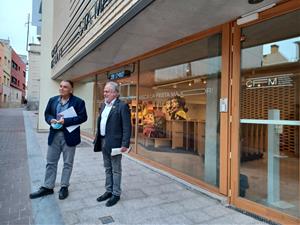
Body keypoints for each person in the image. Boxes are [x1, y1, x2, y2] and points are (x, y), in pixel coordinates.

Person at [29, 80, 87, 200]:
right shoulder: (53, 100)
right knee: (50, 162)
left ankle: (64, 187)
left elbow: (83, 117)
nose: (61, 88)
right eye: (60, 86)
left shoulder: (78, 102)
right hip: (54, 135)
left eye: (65, 87)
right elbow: (47, 114)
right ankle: (48, 187)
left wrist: (66, 121)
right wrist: (51, 120)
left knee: (67, 163)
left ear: (71, 90)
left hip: (70, 136)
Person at [94, 81, 131, 207]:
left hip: (115, 143)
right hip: (103, 141)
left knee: (116, 170)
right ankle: (108, 191)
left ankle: (116, 194)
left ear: (115, 93)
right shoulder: (103, 105)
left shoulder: (122, 106)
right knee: (107, 168)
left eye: (107, 91)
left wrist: (125, 144)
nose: (105, 93)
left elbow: (127, 127)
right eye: (104, 91)